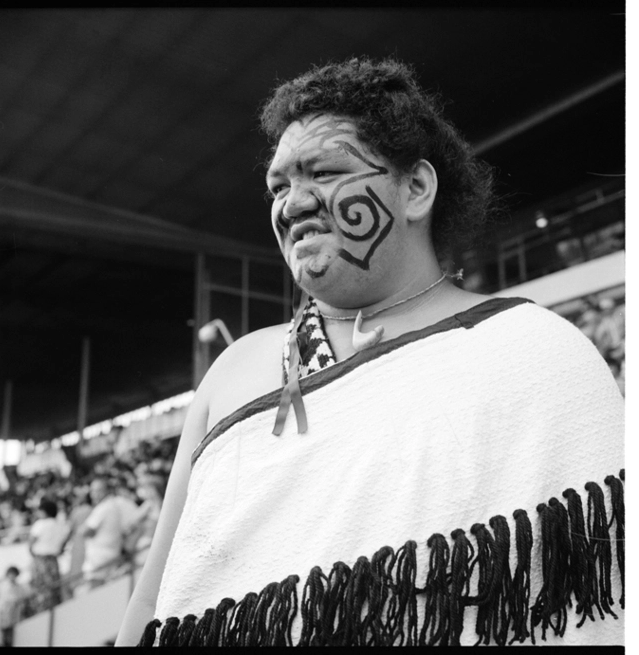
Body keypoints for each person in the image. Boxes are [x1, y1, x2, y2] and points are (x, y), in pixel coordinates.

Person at [115, 58, 624, 647]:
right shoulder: (235, 370)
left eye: (323, 173)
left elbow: (599, 587)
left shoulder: (532, 348)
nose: (292, 203)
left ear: (415, 189)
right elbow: (155, 598)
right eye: (278, 186)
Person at [80, 477, 137, 590]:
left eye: (97, 491)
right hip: (110, 555)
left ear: (106, 491)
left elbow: (86, 531)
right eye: (92, 491)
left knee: (96, 594)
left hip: (100, 559)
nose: (93, 495)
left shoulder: (104, 507)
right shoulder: (114, 504)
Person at [28, 498, 69, 614]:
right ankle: (52, 611)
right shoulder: (60, 525)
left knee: (40, 589)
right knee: (53, 588)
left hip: (40, 559)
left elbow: (31, 542)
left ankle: (41, 613)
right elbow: (63, 542)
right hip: (53, 560)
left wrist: (33, 555)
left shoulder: (40, 524)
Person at [0, 566, 30, 647]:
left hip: (15, 614)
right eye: (11, 574)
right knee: (5, 635)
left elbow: (24, 595)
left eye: (14, 574)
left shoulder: (19, 587)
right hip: (6, 613)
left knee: (14, 636)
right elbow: (8, 598)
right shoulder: (4, 586)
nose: (12, 576)